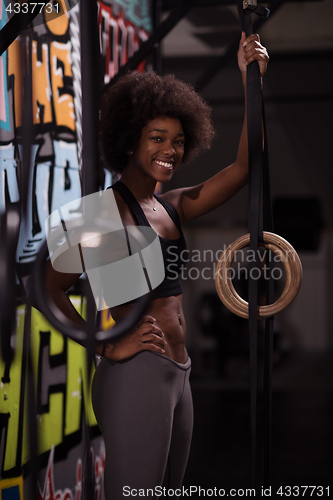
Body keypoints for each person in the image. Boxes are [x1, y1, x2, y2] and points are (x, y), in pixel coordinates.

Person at [45, 32, 269, 498]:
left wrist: (254, 82)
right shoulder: (97, 213)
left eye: (178, 141)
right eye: (156, 138)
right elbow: (49, 289)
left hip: (179, 372)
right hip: (137, 372)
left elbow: (245, 167)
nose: (170, 150)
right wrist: (106, 347)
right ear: (130, 140)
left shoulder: (170, 206)